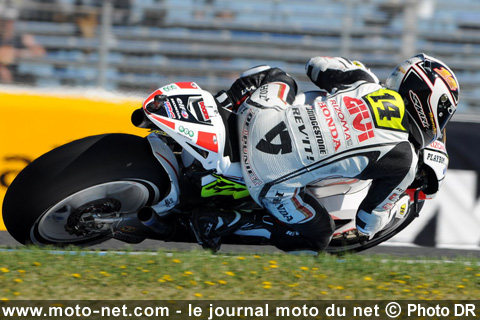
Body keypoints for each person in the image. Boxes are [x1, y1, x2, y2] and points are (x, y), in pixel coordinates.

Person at [191, 53, 459, 253]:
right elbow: (367, 224)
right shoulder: (405, 158)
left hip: (254, 118)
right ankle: (223, 221)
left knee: (276, 76)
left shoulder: (367, 83)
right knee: (318, 237)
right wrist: (393, 207)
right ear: (430, 103)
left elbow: (316, 64)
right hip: (266, 175)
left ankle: (215, 108)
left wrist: (354, 69)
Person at [0, 2, 46, 83]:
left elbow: (40, 53)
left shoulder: (21, 38)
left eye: (8, 21)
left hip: (16, 74)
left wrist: (20, 52)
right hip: (3, 74)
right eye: (3, 21)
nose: (5, 24)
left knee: (30, 78)